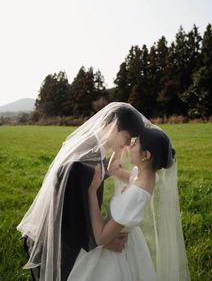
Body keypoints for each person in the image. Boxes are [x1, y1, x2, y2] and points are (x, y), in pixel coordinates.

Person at [17, 102, 145, 281]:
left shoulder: (96, 151)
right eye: (127, 137)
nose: (127, 144)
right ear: (113, 127)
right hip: (56, 242)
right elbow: (67, 219)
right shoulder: (81, 162)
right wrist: (103, 242)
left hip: (69, 238)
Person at [67, 126, 190, 280]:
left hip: (114, 253)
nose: (130, 145)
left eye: (134, 143)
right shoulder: (143, 178)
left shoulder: (136, 195)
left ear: (146, 155)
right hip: (128, 241)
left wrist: (92, 192)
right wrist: (119, 148)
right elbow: (113, 169)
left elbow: (99, 237)